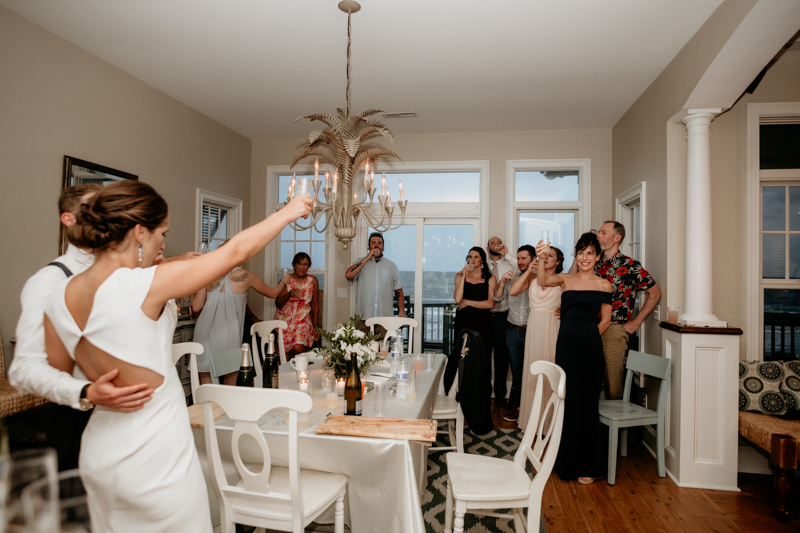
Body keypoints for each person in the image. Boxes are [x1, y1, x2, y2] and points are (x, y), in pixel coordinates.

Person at [43, 180, 313, 531]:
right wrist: (288, 212)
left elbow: (58, 375)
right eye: (162, 233)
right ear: (139, 232)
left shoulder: (60, 293)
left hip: (99, 450)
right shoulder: (145, 284)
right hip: (156, 450)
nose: (164, 243)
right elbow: (235, 252)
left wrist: (90, 393)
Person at [10, 184, 156, 474]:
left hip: (137, 422)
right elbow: (23, 369)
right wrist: (86, 390)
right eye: (95, 211)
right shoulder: (49, 282)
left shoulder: (131, 273)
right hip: (80, 419)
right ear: (69, 220)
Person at [537, 233, 611, 484]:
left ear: (598, 257)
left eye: (590, 253)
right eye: (581, 253)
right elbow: (544, 281)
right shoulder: (566, 279)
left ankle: (589, 465)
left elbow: (606, 320)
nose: (585, 257)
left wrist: (589, 336)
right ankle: (566, 462)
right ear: (576, 256)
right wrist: (540, 257)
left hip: (590, 349)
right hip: (566, 346)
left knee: (587, 404)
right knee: (566, 400)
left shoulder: (604, 285)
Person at [192, 256, 287, 385]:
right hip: (227, 332)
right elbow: (273, 293)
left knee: (206, 383)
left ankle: (208, 406)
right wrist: (283, 281)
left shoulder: (209, 273)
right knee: (230, 379)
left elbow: (196, 307)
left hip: (203, 333)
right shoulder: (246, 275)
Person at [595, 220, 661, 400]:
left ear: (617, 238)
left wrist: (636, 322)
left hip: (614, 329)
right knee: (590, 377)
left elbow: (655, 293)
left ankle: (615, 427)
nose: (598, 236)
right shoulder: (593, 263)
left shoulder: (631, 265)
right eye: (599, 232)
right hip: (590, 327)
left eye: (603, 233)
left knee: (612, 382)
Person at [510, 245, 564, 432]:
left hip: (552, 327)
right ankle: (531, 421)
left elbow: (574, 301)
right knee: (533, 371)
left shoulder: (563, 280)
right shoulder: (532, 277)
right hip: (534, 327)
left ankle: (550, 424)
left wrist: (564, 310)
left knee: (551, 368)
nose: (546, 258)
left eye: (551, 256)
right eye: (544, 256)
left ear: (558, 261)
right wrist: (530, 270)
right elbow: (513, 291)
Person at [493, 244, 535, 422]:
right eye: (518, 258)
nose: (520, 262)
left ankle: (528, 409)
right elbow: (496, 298)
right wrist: (502, 282)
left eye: (524, 258)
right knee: (517, 372)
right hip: (512, 332)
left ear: (533, 260)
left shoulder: (538, 280)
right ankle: (519, 407)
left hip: (533, 332)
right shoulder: (512, 279)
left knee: (531, 372)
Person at [453, 246, 496, 384]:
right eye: (470, 256)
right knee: (463, 355)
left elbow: (491, 304)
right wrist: (464, 276)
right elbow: (458, 299)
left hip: (483, 324)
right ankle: (463, 389)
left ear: (482, 259)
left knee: (482, 357)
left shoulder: (490, 278)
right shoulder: (460, 276)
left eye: (476, 256)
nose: (472, 259)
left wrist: (469, 302)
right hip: (463, 323)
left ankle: (481, 393)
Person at [486, 236, 517, 408]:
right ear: (487, 247)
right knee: (484, 356)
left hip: (503, 317)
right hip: (485, 316)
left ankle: (499, 395)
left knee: (501, 358)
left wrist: (508, 254)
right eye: (493, 243)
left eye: (499, 243)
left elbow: (522, 271)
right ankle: (484, 392)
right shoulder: (483, 266)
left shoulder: (510, 264)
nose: (496, 245)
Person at [345, 232, 405, 319]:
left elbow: (398, 290)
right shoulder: (361, 262)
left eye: (379, 243)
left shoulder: (391, 266)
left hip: (385, 318)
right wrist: (367, 258)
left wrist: (402, 311)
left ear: (383, 248)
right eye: (373, 243)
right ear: (369, 246)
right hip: (363, 317)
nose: (376, 245)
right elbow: (349, 275)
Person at [274, 252, 320, 358]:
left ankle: (302, 365)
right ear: (294, 265)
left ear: (309, 266)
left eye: (305, 264)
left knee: (298, 347)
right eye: (299, 264)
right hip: (285, 320)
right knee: (284, 357)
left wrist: (316, 326)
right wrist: (289, 294)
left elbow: (315, 303)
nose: (302, 267)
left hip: (303, 319)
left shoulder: (313, 280)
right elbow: (278, 303)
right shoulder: (287, 280)